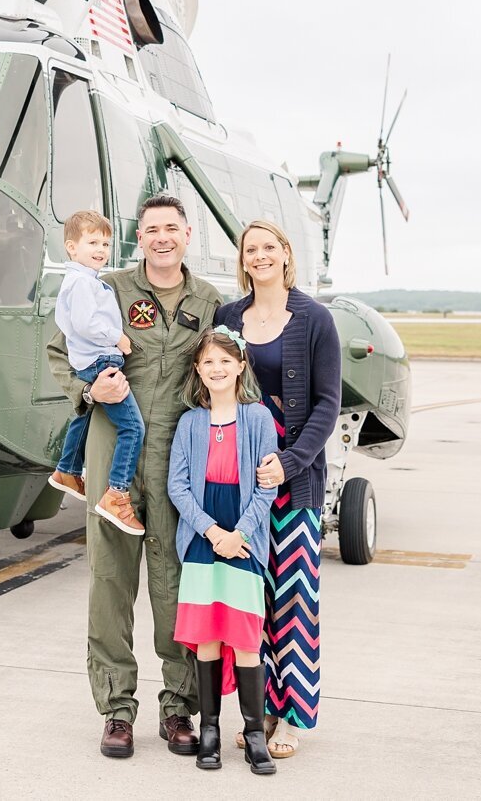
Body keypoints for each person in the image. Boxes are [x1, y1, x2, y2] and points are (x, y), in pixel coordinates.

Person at [45, 195, 222, 759]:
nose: (162, 237)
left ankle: (178, 709)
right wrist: (86, 389)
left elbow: (226, 370)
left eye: (172, 228)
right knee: (110, 581)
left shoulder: (208, 300)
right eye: (151, 229)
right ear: (138, 237)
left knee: (174, 584)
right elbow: (57, 347)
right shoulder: (107, 286)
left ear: (187, 235)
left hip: (177, 458)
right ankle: (117, 711)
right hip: (113, 447)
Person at [215, 219, 341, 760]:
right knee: (251, 603)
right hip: (238, 486)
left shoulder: (314, 320)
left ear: (286, 255)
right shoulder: (228, 318)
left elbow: (327, 405)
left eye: (270, 247)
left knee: (293, 601)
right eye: (252, 249)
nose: (261, 256)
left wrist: (289, 464)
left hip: (292, 485)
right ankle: (258, 709)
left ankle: (291, 717)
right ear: (243, 260)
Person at [168, 326, 278, 775]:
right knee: (209, 636)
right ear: (198, 370)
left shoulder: (257, 419)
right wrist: (213, 532)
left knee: (246, 637)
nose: (217, 369)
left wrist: (240, 534)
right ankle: (210, 729)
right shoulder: (190, 422)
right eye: (208, 362)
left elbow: (266, 489)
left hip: (244, 536)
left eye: (225, 361)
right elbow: (178, 485)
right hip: (202, 537)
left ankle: (254, 734)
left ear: (240, 366)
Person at [48, 209, 146, 536]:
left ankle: (67, 470)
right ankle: (116, 494)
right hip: (103, 361)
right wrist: (117, 338)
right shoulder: (81, 284)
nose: (101, 249)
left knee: (84, 416)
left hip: (92, 361)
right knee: (132, 428)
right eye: (92, 242)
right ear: (71, 248)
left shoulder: (85, 280)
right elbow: (86, 324)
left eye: (105, 243)